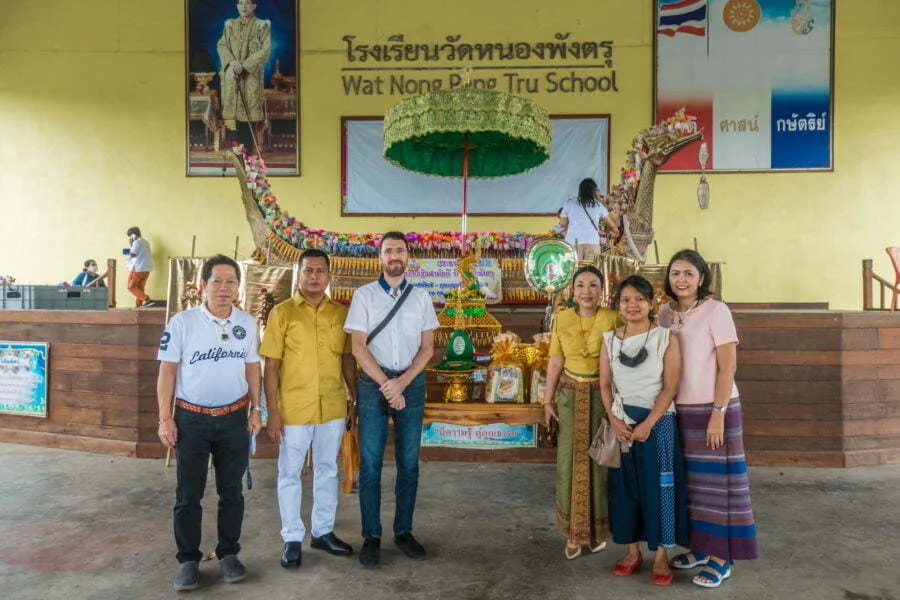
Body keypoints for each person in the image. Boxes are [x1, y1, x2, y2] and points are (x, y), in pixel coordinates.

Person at [156, 254, 262, 591]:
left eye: (231, 281)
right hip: (191, 420)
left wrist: (256, 409)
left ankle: (228, 553)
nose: (224, 288)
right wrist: (165, 418)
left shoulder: (247, 322)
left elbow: (252, 368)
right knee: (189, 494)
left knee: (232, 492)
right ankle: (188, 559)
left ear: (238, 287)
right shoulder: (182, 323)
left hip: (234, 419)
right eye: (216, 281)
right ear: (202, 285)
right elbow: (167, 371)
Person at [658, 249, 758, 589]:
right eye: (675, 273)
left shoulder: (717, 310)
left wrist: (718, 412)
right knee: (692, 486)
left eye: (688, 273)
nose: (681, 279)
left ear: (701, 278)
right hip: (679, 410)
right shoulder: (663, 314)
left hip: (716, 409)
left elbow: (728, 365)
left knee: (720, 487)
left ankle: (722, 557)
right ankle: (701, 548)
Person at [344, 231, 439, 568]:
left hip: (410, 384)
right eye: (388, 251)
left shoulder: (421, 298)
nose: (394, 255)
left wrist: (402, 383)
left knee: (408, 464)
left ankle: (403, 531)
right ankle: (371, 535)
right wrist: (387, 384)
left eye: (400, 250)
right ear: (380, 257)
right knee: (370, 465)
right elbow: (357, 347)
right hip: (374, 384)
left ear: (408, 256)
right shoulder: (364, 295)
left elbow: (428, 348)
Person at [260, 249, 357, 569]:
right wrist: (272, 412)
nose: (314, 276)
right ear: (299, 275)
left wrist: (352, 398)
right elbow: (271, 366)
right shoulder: (282, 313)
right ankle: (291, 537)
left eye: (320, 271)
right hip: (294, 408)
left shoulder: (340, 314)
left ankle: (323, 531)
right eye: (308, 271)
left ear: (329, 276)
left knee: (328, 469)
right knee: (290, 472)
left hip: (331, 404)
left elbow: (346, 359)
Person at [599, 275, 688, 586]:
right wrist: (615, 421)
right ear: (618, 305)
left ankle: (661, 555)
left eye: (639, 299)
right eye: (626, 300)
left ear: (652, 304)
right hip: (621, 422)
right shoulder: (609, 339)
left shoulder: (666, 337)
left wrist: (649, 423)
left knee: (660, 489)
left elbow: (671, 386)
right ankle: (631, 550)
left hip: (659, 423)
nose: (632, 305)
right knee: (624, 489)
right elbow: (606, 384)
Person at [542, 265, 618, 559]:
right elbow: (555, 361)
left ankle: (598, 532)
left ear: (603, 290)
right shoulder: (561, 318)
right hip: (569, 397)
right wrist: (547, 401)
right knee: (568, 463)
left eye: (593, 285)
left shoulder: (614, 318)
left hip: (603, 397)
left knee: (600, 463)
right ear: (571, 291)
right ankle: (572, 535)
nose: (587, 291)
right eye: (581, 285)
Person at [217, 0, 271, 156]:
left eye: (248, 3)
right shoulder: (230, 25)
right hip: (233, 76)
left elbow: (265, 50)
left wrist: (245, 65)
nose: (244, 6)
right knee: (234, 120)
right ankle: (239, 156)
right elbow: (222, 45)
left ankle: (248, 157)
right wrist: (232, 63)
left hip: (250, 79)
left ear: (254, 6)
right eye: (241, 3)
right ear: (237, 6)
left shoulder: (262, 25)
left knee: (248, 119)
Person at [558, 178, 621, 260]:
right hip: (592, 244)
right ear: (593, 191)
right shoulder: (598, 205)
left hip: (573, 243)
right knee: (591, 271)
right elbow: (612, 225)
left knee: (574, 271)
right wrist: (616, 232)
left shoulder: (570, 203)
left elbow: (563, 223)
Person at [123, 226, 155, 307]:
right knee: (140, 289)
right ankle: (139, 306)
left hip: (138, 269)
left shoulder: (137, 242)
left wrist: (126, 249)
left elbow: (133, 254)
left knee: (130, 287)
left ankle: (147, 299)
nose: (129, 238)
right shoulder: (146, 242)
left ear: (133, 235)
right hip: (146, 270)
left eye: (129, 236)